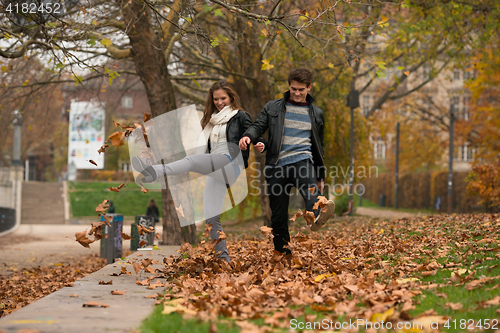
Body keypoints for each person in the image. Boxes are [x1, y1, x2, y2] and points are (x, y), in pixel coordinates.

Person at [131, 80, 266, 263]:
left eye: (223, 98)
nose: (219, 102)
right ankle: (223, 260)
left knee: (191, 160)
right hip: (215, 166)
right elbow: (206, 152)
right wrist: (188, 167)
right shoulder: (211, 121)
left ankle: (154, 171)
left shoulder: (240, 116)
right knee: (211, 219)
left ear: (231, 97)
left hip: (230, 163)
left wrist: (253, 140)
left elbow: (253, 130)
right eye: (216, 99)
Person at [239, 68, 335, 256]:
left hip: (303, 159)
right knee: (278, 214)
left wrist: (320, 175)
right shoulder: (273, 107)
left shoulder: (317, 113)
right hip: (277, 165)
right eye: (293, 89)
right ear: (289, 86)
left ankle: (317, 215)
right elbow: (258, 125)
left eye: (301, 89)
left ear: (309, 87)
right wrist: (247, 136)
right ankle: (283, 253)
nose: (297, 93)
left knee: (310, 189)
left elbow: (319, 147)